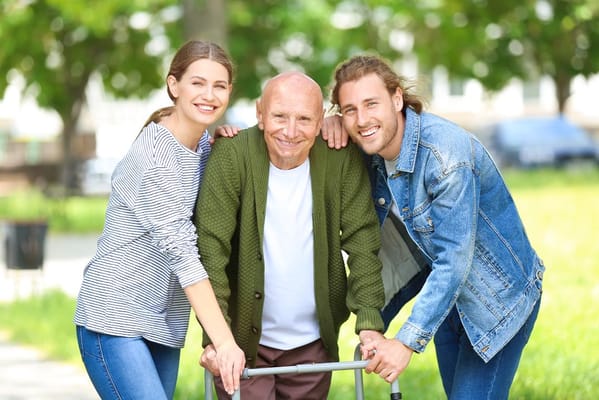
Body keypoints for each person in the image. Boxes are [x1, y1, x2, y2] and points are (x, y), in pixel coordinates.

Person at [322, 54, 545, 399]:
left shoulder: (445, 156)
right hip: (445, 297)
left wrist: (406, 342)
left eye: (371, 104)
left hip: (497, 300)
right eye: (350, 109)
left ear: (397, 99)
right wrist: (328, 125)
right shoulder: (370, 145)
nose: (362, 119)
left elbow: (455, 258)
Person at [195, 71, 386, 399]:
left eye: (304, 119)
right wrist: (216, 337)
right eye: (279, 116)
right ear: (260, 113)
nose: (291, 131)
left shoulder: (340, 158)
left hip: (312, 346)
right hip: (241, 345)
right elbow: (211, 250)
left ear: (321, 120)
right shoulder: (232, 155)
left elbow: (363, 241)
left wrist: (369, 322)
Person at [73, 40, 245, 400]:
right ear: (173, 85)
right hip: (115, 318)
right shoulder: (155, 158)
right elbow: (183, 255)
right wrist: (224, 342)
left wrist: (226, 147)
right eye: (197, 83)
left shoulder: (199, 145)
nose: (209, 94)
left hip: (162, 320)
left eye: (219, 86)